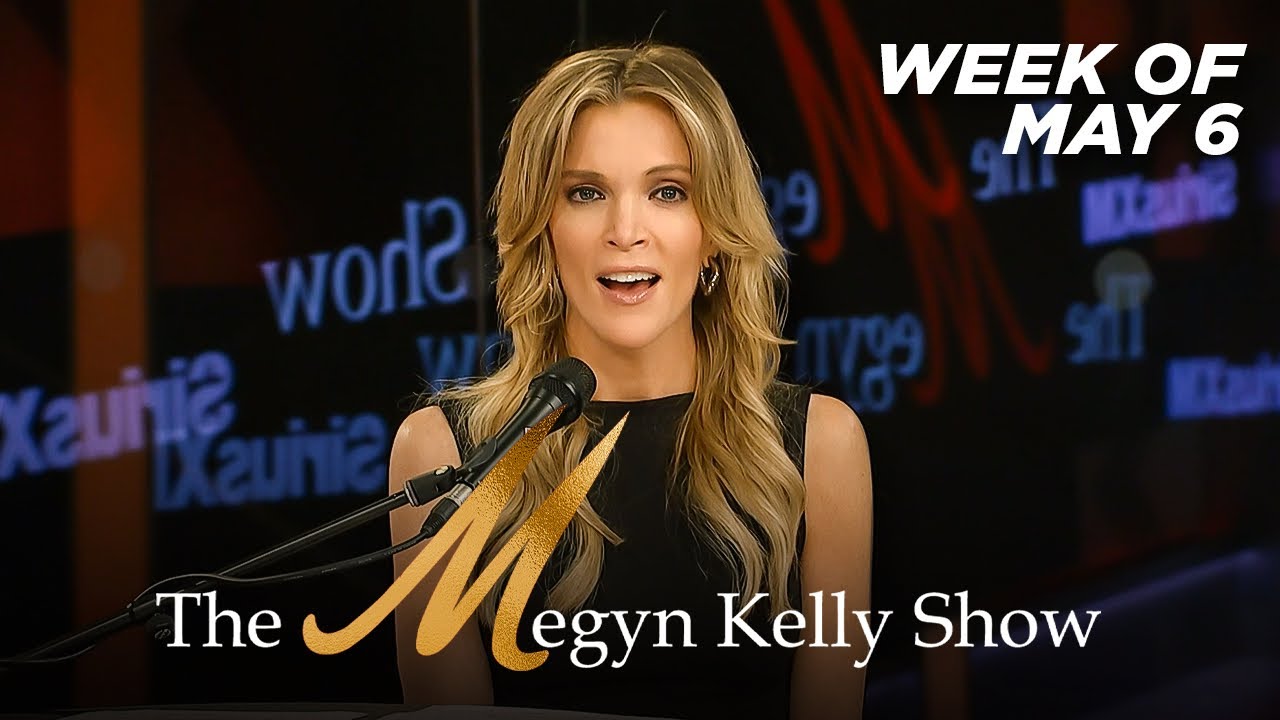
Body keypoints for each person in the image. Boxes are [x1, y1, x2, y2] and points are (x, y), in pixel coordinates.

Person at [387, 42, 872, 720]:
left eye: (668, 192)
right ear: (544, 230)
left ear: (714, 232)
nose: (625, 231)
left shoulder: (821, 445)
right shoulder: (440, 453)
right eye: (585, 193)